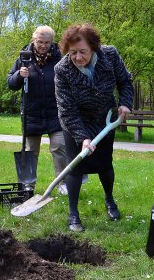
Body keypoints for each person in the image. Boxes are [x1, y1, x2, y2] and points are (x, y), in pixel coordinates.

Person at [54, 23, 133, 232]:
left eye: (83, 52)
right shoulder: (62, 70)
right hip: (76, 122)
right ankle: (73, 213)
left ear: (93, 47)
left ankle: (109, 199)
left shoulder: (110, 55)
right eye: (72, 53)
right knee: (75, 166)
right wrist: (83, 138)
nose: (78, 57)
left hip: (104, 120)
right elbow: (66, 109)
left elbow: (125, 81)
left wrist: (125, 102)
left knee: (105, 164)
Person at [7, 26, 69, 194]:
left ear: (52, 42)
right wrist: (19, 75)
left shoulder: (59, 58)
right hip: (31, 114)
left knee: (59, 147)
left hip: (55, 114)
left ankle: (63, 183)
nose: (43, 45)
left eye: (47, 42)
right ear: (33, 40)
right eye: (40, 42)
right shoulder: (24, 58)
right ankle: (28, 185)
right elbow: (11, 83)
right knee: (30, 151)